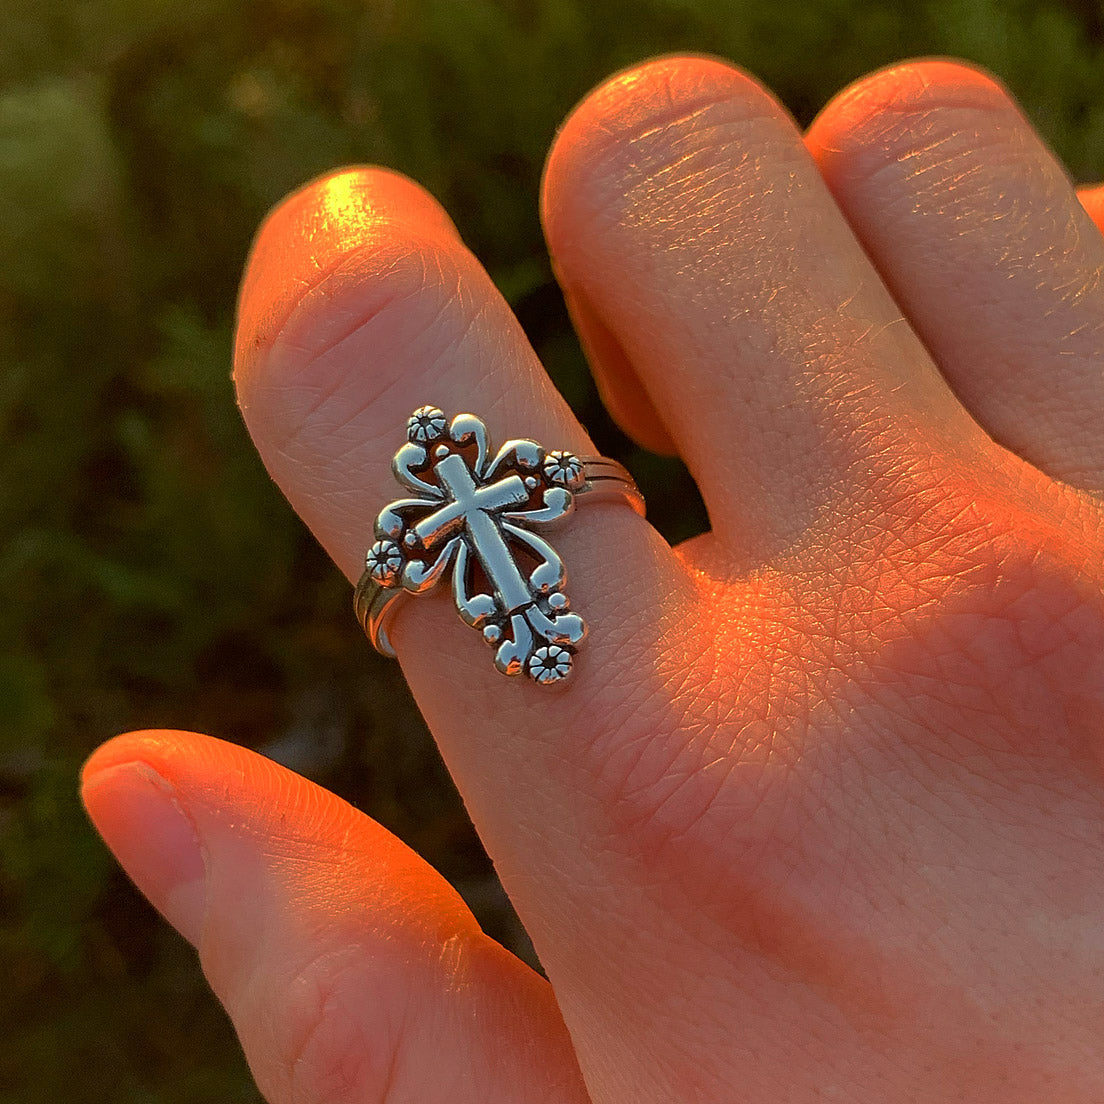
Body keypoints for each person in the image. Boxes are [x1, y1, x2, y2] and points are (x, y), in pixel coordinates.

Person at [80, 54, 1104, 1101]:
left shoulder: (471, 499)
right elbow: (429, 546)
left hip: (505, 563)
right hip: (503, 568)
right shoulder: (462, 504)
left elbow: (480, 516)